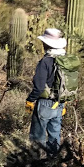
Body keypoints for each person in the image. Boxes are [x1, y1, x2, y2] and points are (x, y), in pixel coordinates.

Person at [26, 28, 67, 156]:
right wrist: (64, 103)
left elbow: (38, 87)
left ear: (47, 44)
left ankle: (36, 164)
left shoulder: (46, 61)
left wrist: (30, 100)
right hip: (60, 103)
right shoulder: (65, 60)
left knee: (38, 136)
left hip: (45, 103)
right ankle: (53, 162)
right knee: (54, 135)